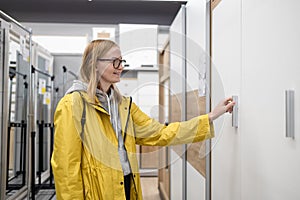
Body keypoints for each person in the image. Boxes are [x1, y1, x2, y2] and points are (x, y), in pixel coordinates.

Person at [51, 39, 235, 200]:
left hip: (127, 187)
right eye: (115, 61)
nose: (121, 67)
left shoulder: (124, 105)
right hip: (98, 192)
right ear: (94, 64)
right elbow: (66, 169)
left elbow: (161, 133)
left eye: (121, 61)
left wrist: (209, 117)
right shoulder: (72, 105)